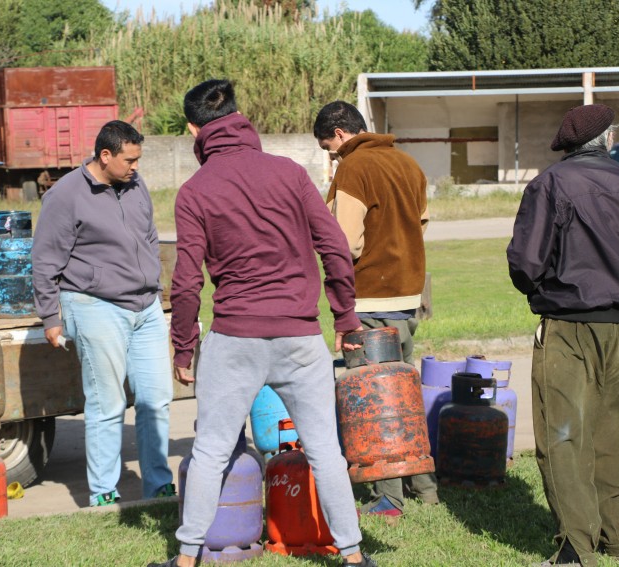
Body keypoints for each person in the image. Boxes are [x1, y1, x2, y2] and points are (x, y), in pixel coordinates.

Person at [152, 80, 375, 567]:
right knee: (325, 452)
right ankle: (355, 557)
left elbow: (187, 282)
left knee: (210, 451)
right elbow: (334, 246)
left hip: (234, 337)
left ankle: (187, 560)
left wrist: (184, 348)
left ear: (194, 130)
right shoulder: (290, 173)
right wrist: (344, 314)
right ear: (239, 118)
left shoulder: (194, 192)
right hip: (300, 336)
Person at [506, 104, 619, 567]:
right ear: (607, 140)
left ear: (570, 145)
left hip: (568, 326)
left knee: (563, 435)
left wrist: (543, 292)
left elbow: (526, 262)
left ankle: (577, 548)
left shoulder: (550, 184)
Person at [32, 120, 175, 507]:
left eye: (138, 159)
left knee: (156, 399)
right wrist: (51, 317)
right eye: (129, 160)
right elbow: (45, 260)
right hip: (95, 305)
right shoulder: (65, 196)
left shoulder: (135, 184)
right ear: (105, 155)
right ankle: (103, 492)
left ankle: (158, 485)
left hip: (145, 306)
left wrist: (153, 281)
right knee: (108, 403)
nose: (136, 167)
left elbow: (147, 234)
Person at [313, 100, 439, 518]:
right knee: (404, 394)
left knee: (375, 399)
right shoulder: (408, 164)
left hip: (370, 297)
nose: (333, 158)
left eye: (330, 148)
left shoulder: (355, 168)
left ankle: (389, 498)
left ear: (341, 134)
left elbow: (343, 242)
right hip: (407, 296)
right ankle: (425, 489)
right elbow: (420, 223)